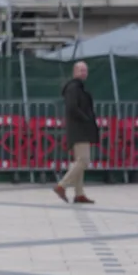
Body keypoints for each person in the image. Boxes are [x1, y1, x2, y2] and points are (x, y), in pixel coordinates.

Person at [54, 60, 99, 205]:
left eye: (85, 70)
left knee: (80, 160)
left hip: (80, 129)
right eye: (81, 70)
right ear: (74, 72)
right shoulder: (73, 88)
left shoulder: (77, 87)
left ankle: (79, 194)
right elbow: (73, 108)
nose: (84, 73)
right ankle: (62, 185)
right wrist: (85, 119)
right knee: (84, 161)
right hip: (79, 129)